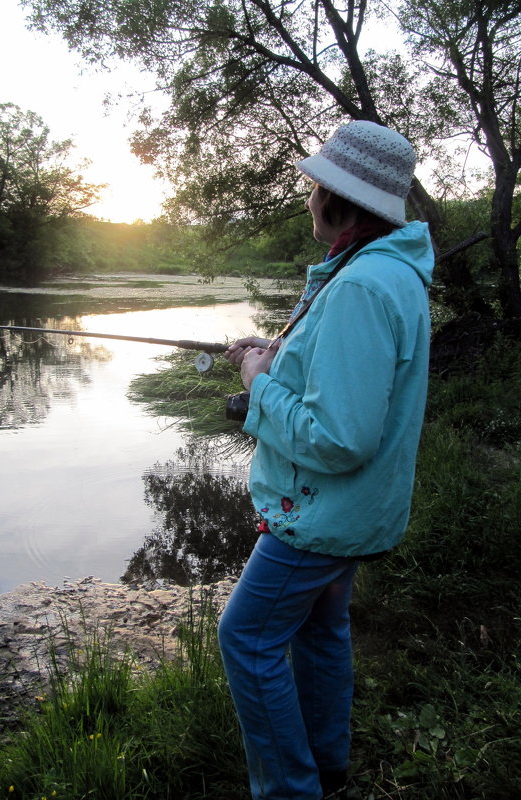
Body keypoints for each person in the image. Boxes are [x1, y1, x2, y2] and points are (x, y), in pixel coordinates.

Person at [218, 120, 434, 800]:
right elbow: (346, 376)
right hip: (346, 513)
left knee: (246, 640)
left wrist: (258, 386)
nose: (308, 198)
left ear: (342, 201)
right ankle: (327, 767)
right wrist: (278, 355)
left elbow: (338, 437)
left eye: (315, 188)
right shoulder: (376, 271)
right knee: (320, 629)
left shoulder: (363, 286)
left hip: (319, 515)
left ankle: (290, 788)